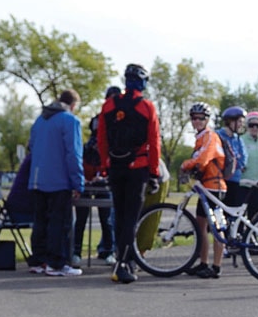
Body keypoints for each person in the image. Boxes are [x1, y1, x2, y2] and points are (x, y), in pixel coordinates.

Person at [97, 63, 161, 284]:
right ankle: (123, 263)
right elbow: (154, 142)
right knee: (130, 218)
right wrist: (154, 172)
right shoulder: (146, 107)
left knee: (120, 215)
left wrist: (105, 165)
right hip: (138, 167)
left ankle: (123, 257)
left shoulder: (108, 105)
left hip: (116, 166)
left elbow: (101, 140)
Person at [28, 88, 84, 277]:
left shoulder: (40, 120)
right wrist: (78, 182)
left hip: (38, 178)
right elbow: (73, 154)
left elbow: (32, 147)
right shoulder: (70, 121)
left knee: (40, 221)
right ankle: (56, 263)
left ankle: (38, 260)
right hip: (59, 180)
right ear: (73, 105)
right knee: (60, 223)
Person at [72, 86, 119, 267]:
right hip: (88, 177)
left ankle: (109, 250)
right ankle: (76, 251)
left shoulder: (121, 121)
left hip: (105, 179)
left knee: (107, 219)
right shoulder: (98, 120)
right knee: (81, 218)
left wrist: (104, 174)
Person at [179, 102, 227, 278]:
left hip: (215, 188)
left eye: (200, 118)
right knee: (201, 227)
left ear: (207, 120)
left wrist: (186, 165)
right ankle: (203, 263)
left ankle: (216, 266)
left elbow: (203, 158)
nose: (197, 121)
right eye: (193, 118)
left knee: (216, 227)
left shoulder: (210, 136)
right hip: (205, 188)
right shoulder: (200, 137)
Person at [216, 106, 248, 209]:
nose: (241, 125)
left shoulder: (238, 139)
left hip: (235, 181)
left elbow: (243, 160)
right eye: (239, 121)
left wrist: (232, 163)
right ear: (230, 121)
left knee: (232, 213)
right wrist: (233, 161)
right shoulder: (217, 136)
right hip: (219, 181)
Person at [240, 110, 258, 216]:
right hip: (243, 184)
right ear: (247, 126)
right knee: (240, 216)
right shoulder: (241, 140)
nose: (255, 128)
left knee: (255, 215)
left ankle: (251, 233)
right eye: (251, 125)